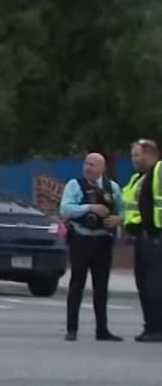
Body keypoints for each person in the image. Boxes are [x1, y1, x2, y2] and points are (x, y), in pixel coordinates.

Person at [59, 151, 124, 342]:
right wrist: (89, 207)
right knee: (76, 285)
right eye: (86, 163)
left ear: (102, 168)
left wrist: (118, 219)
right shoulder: (75, 185)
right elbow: (65, 209)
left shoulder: (112, 188)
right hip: (81, 239)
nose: (87, 167)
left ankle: (102, 330)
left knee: (101, 287)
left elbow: (122, 210)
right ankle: (72, 329)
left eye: (92, 164)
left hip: (103, 241)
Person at [123, 139, 162, 342]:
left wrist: (154, 232)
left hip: (155, 237)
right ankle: (150, 326)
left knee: (155, 285)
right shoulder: (138, 178)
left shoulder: (158, 171)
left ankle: (157, 328)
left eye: (137, 155)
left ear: (149, 154)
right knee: (145, 285)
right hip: (141, 237)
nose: (134, 160)